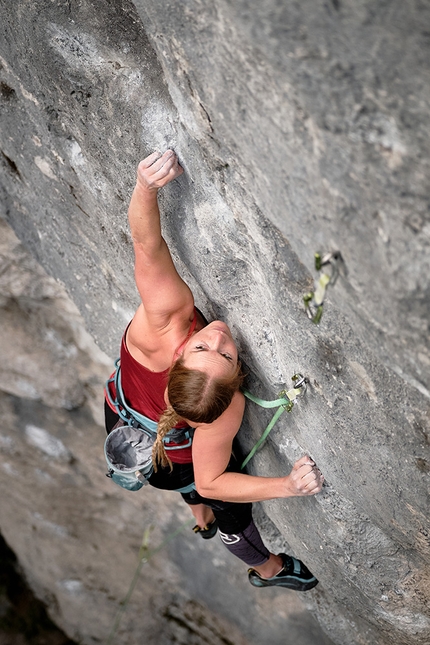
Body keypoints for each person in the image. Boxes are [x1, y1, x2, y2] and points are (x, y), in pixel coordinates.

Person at [105, 150, 324, 591]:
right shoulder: (216, 397)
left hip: (122, 424)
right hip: (174, 465)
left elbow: (147, 246)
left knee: (196, 490)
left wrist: (145, 188)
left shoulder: (175, 340)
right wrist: (287, 486)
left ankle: (196, 514)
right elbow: (215, 480)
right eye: (216, 351)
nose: (221, 336)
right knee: (229, 514)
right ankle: (269, 570)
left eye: (213, 350)